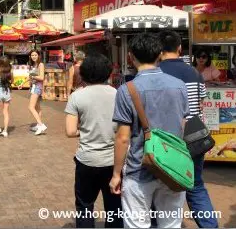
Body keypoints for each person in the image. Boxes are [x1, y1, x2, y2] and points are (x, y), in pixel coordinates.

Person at [110, 33, 190, 228]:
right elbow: (183, 126)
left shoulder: (127, 90)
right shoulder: (179, 86)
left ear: (131, 56)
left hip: (140, 169)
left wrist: (116, 174)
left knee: (137, 224)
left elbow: (122, 138)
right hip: (173, 167)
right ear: (160, 55)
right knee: (171, 224)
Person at [159, 31, 218, 228]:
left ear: (159, 50)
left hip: (165, 140)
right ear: (179, 48)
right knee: (196, 186)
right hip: (194, 138)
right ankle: (210, 225)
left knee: (162, 187)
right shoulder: (194, 72)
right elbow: (200, 105)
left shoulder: (156, 72)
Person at [65, 53, 122, 228]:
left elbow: (70, 131)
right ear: (108, 72)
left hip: (87, 159)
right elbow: (124, 131)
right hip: (113, 160)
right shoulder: (118, 94)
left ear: (84, 73)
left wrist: (86, 130)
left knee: (84, 206)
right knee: (114, 208)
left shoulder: (77, 96)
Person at [27, 50, 47, 135]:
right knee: (37, 107)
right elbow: (31, 77)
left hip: (37, 88)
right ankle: (39, 125)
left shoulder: (40, 64)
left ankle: (41, 124)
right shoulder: (33, 65)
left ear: (38, 55)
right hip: (34, 87)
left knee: (30, 107)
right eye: (32, 55)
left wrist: (32, 76)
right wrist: (22, 83)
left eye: (35, 55)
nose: (33, 56)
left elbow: (42, 77)